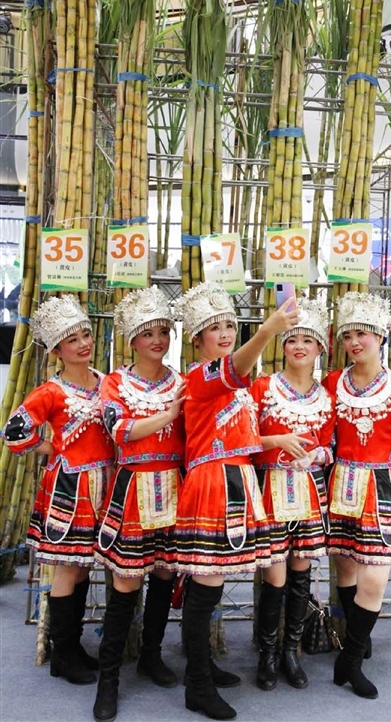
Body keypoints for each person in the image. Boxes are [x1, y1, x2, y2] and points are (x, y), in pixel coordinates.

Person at [173, 282, 299, 722]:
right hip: (212, 484)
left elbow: (242, 439)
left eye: (230, 325)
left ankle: (201, 668)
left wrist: (276, 439)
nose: (225, 332)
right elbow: (235, 367)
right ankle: (197, 686)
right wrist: (267, 331)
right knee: (205, 588)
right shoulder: (200, 378)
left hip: (237, 479)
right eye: (215, 328)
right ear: (197, 340)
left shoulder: (235, 384)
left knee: (211, 586)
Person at [2, 295, 114, 685]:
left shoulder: (106, 382)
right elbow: (14, 432)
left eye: (85, 335)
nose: (83, 344)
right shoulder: (51, 392)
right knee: (68, 567)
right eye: (72, 340)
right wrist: (49, 447)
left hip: (105, 483)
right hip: (70, 487)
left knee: (83, 567)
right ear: (56, 351)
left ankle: (72, 645)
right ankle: (62, 652)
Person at [322, 291, 391, 700]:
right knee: (346, 569)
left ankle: (348, 661)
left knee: (375, 578)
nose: (354, 342)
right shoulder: (333, 382)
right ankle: (357, 642)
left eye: (362, 334)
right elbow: (323, 432)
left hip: (379, 489)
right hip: (340, 485)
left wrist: (385, 460)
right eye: (347, 335)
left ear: (380, 336)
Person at [92, 286, 185, 722]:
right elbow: (120, 431)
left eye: (163, 332)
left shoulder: (180, 381)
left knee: (165, 573)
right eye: (148, 333)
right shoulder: (114, 382)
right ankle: (108, 679)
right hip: (132, 488)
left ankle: (151, 654)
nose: (157, 340)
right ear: (131, 339)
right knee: (127, 582)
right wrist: (168, 416)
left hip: (174, 487)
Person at [250, 298, 335, 691]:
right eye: (291, 340)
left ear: (320, 348)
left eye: (307, 340)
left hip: (309, 492)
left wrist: (318, 454)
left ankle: (290, 652)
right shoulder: (262, 387)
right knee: (275, 575)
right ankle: (267, 653)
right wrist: (275, 441)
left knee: (301, 574)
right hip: (270, 489)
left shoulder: (327, 397)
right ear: (282, 346)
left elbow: (332, 447)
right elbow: (243, 439)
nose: (299, 346)